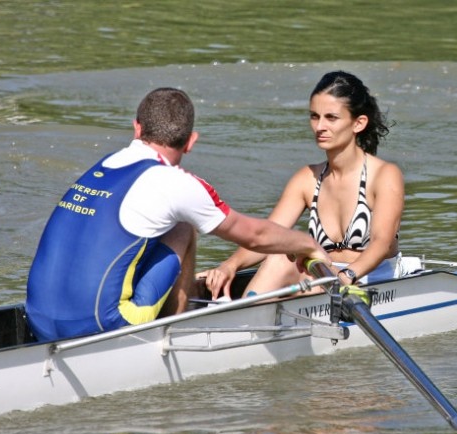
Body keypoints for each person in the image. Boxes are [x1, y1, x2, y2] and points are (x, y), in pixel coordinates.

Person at [25, 87, 329, 341]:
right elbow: (257, 236)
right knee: (183, 227)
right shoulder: (179, 184)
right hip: (100, 325)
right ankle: (178, 330)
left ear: (137, 128)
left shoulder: (105, 165)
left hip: (37, 319)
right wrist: (308, 245)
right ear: (191, 141)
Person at [199, 71, 421, 300]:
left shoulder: (385, 174)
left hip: (370, 277)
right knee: (279, 256)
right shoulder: (307, 178)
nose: (319, 127)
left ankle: (249, 319)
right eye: (315, 116)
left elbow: (382, 243)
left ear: (358, 123)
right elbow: (267, 234)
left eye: (331, 118)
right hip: (324, 276)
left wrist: (346, 275)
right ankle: (246, 321)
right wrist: (230, 265)